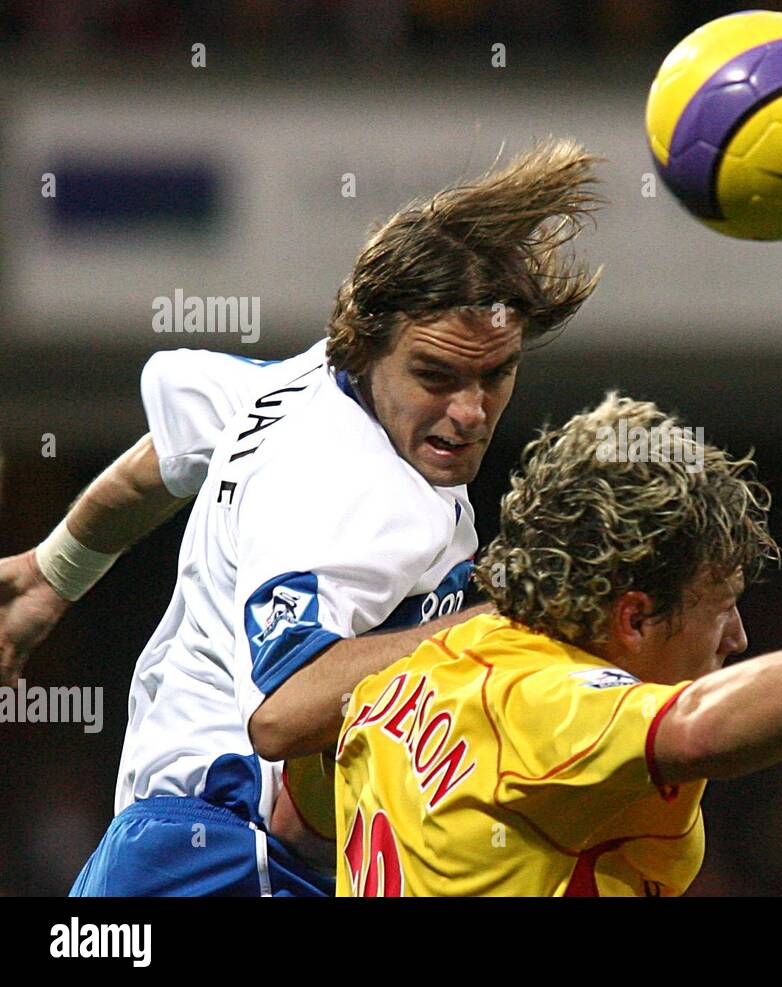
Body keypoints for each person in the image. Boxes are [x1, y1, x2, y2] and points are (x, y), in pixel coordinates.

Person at [2, 137, 603, 896]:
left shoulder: (301, 382)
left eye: (495, 374)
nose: (470, 410)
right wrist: (514, 621)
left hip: (170, 856)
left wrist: (54, 571)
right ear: (364, 347)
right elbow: (284, 714)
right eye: (436, 376)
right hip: (230, 865)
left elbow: (170, 452)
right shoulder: (357, 493)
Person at [318, 394, 782, 896]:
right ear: (633, 618)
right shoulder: (541, 702)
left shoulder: (409, 678)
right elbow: (699, 729)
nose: (739, 636)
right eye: (723, 608)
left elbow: (300, 804)